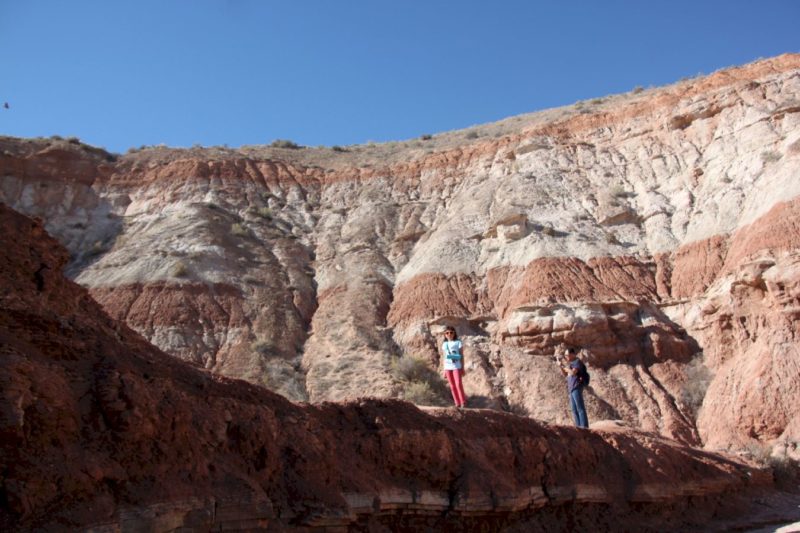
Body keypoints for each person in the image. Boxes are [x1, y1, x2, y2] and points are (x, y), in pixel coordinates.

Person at [558, 347, 589, 428]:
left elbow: (572, 372)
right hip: (571, 388)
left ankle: (584, 427)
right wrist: (561, 367)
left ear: (572, 354)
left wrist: (563, 366)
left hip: (577, 386)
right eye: (565, 355)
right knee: (574, 410)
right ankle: (578, 427)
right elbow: (565, 374)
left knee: (580, 408)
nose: (566, 357)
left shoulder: (577, 362)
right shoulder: (571, 364)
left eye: (567, 355)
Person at [442, 326, 467, 408]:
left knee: (458, 384)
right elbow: (444, 357)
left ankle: (463, 402)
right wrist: (444, 370)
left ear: (454, 333)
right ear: (445, 334)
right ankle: (457, 403)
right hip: (447, 366)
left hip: (456, 366)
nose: (449, 334)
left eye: (451, 332)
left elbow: (461, 355)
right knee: (452, 386)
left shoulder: (458, 342)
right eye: (447, 333)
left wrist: (462, 368)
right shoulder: (444, 344)